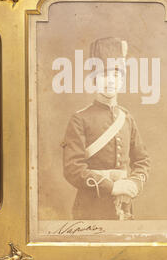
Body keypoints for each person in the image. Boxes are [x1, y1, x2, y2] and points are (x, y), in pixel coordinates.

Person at [62, 37, 151, 220]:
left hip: (124, 209)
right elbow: (73, 169)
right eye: (104, 75)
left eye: (116, 76)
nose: (110, 81)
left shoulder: (127, 118)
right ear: (94, 79)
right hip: (90, 209)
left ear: (122, 80)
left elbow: (142, 160)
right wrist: (111, 187)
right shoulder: (80, 119)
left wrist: (134, 183)